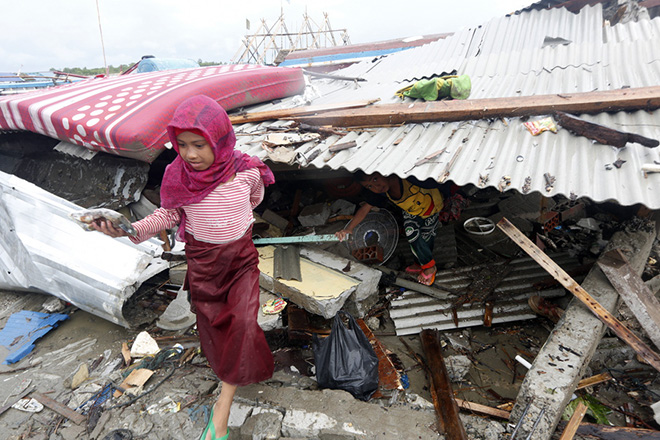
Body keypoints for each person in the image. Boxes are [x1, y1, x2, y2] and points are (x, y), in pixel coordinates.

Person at [93, 95, 275, 440]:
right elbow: (168, 214)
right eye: (181, 145)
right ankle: (228, 371)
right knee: (214, 327)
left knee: (243, 322)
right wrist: (129, 228)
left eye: (199, 144)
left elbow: (254, 200)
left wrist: (232, 227)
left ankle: (221, 410)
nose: (190, 154)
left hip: (240, 261)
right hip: (204, 265)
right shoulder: (178, 176)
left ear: (219, 140)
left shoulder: (246, 172)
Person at [336, 171, 457, 286]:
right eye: (369, 186)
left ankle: (426, 265)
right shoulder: (381, 192)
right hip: (411, 211)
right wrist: (349, 228)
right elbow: (365, 208)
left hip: (431, 209)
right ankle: (424, 265)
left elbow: (438, 180)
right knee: (413, 236)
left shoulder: (407, 177)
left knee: (426, 238)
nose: (376, 187)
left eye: (375, 178)